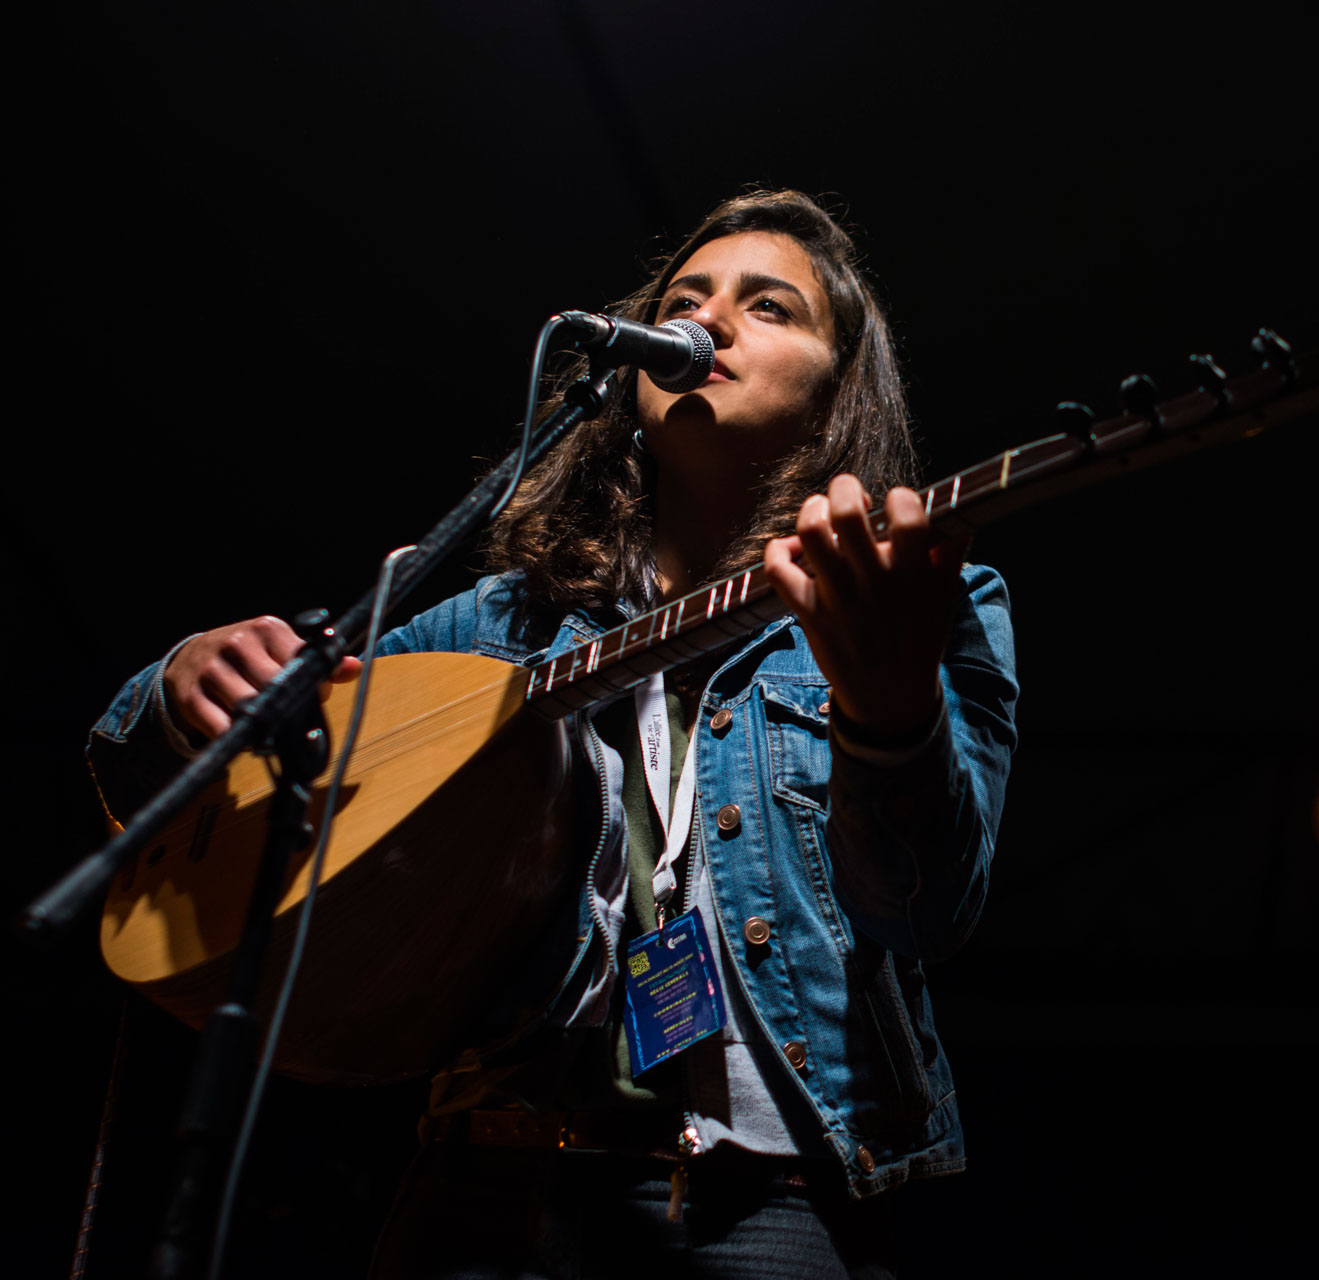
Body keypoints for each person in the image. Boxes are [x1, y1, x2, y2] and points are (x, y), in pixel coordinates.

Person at [86, 189, 1019, 1278]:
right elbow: (170, 761)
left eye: (769, 307)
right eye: (684, 299)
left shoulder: (922, 600)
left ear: (836, 386)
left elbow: (929, 904)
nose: (710, 322)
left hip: (777, 1195)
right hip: (489, 1182)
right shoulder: (501, 621)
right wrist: (181, 678)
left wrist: (892, 711)